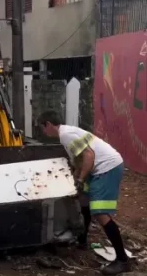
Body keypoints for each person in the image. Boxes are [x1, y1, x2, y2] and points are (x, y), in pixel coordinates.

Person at [38, 111, 130, 275]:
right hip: (99, 167)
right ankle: (82, 241)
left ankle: (122, 260)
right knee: (84, 203)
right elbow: (80, 159)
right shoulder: (67, 133)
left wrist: (80, 181)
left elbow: (89, 156)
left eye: (43, 128)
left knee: (100, 213)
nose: (43, 132)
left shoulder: (66, 135)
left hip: (106, 168)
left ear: (48, 124)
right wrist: (75, 179)